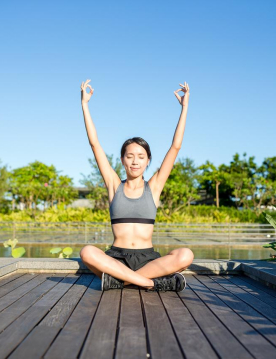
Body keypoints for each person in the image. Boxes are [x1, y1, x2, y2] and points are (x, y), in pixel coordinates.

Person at [79, 79, 194, 292]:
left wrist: (185, 107)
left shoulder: (155, 187)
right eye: (130, 156)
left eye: (140, 156)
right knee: (87, 252)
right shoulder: (114, 185)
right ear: (122, 159)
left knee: (186, 255)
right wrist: (85, 105)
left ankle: (119, 281)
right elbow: (95, 144)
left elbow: (175, 147)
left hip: (148, 259)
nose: (135, 161)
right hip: (116, 257)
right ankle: (151, 283)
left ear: (148, 160)